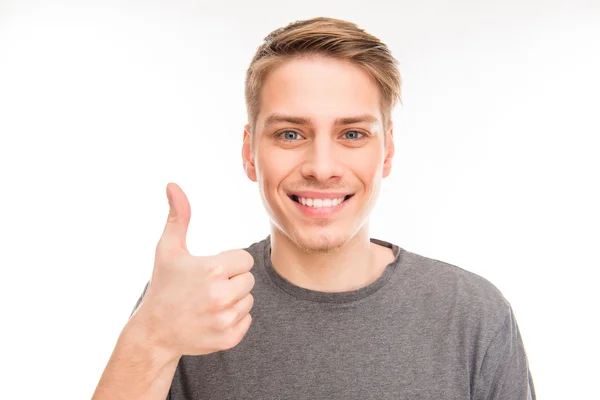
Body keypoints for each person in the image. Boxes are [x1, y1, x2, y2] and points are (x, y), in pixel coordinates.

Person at [92, 17, 536, 400]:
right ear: (249, 153)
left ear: (387, 151)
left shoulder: (473, 315)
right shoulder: (190, 305)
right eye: (290, 134)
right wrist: (148, 340)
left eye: (352, 134)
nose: (322, 169)